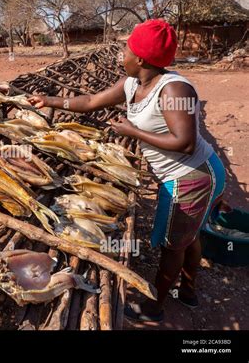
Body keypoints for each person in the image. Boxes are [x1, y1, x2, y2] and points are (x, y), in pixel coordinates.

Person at [27, 19, 226, 322]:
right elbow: (91, 101)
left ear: (142, 59)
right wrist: (49, 100)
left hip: (192, 177)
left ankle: (155, 308)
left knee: (174, 246)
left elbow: (184, 142)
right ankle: (188, 292)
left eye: (127, 48)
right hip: (183, 176)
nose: (122, 53)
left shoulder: (173, 89)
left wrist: (135, 133)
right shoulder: (133, 83)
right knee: (188, 236)